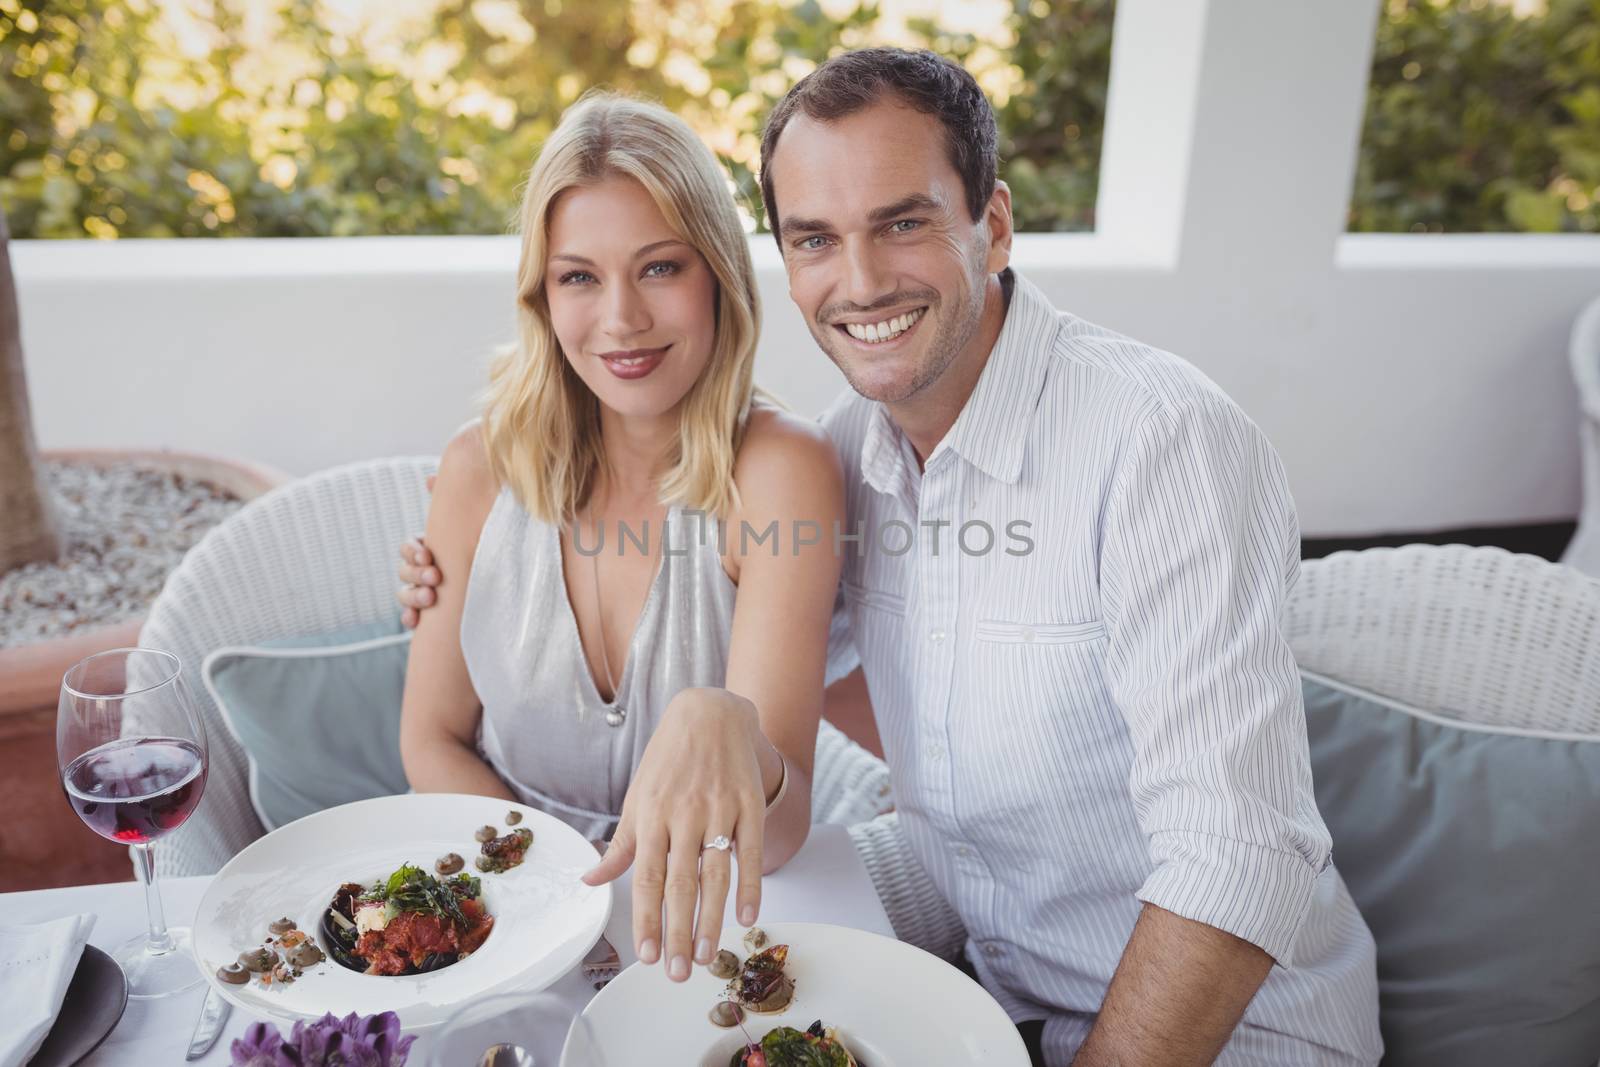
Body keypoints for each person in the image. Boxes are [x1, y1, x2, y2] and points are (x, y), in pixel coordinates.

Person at [402, 50, 1382, 1066]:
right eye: (817, 238)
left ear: (992, 223)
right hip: (979, 984)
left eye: (902, 222)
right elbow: (787, 673)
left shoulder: (1161, 442)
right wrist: (463, 583)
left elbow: (1241, 851)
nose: (860, 280)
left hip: (1218, 1031)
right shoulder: (846, 454)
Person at [397, 90, 846, 988]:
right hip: (512, 899)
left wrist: (724, 724)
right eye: (579, 276)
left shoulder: (779, 472)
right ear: (542, 294)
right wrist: (563, 896)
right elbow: (431, 740)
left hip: (717, 914)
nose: (621, 321)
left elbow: (785, 820)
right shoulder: (478, 471)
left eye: (658, 268)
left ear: (715, 273)